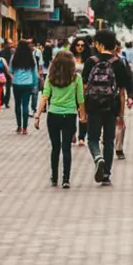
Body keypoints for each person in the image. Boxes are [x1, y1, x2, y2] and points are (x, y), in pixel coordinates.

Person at [83, 30, 131, 184]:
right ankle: (106, 175)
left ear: (99, 44)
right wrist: (121, 114)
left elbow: (83, 88)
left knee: (92, 138)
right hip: (112, 107)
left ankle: (98, 158)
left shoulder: (91, 61)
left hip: (93, 106)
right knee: (109, 141)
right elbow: (122, 91)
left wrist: (82, 110)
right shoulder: (118, 63)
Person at [43, 50, 86, 189]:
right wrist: (83, 115)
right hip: (70, 115)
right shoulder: (76, 78)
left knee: (55, 148)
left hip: (53, 114)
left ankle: (54, 177)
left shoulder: (51, 77)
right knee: (66, 148)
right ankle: (66, 179)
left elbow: (45, 96)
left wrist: (37, 115)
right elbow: (80, 99)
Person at [10, 40, 40, 133]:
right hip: (28, 83)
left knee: (17, 105)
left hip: (17, 83)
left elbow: (11, 70)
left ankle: (19, 126)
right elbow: (35, 72)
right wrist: (35, 84)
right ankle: (25, 128)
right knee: (26, 105)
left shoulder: (14, 57)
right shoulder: (31, 57)